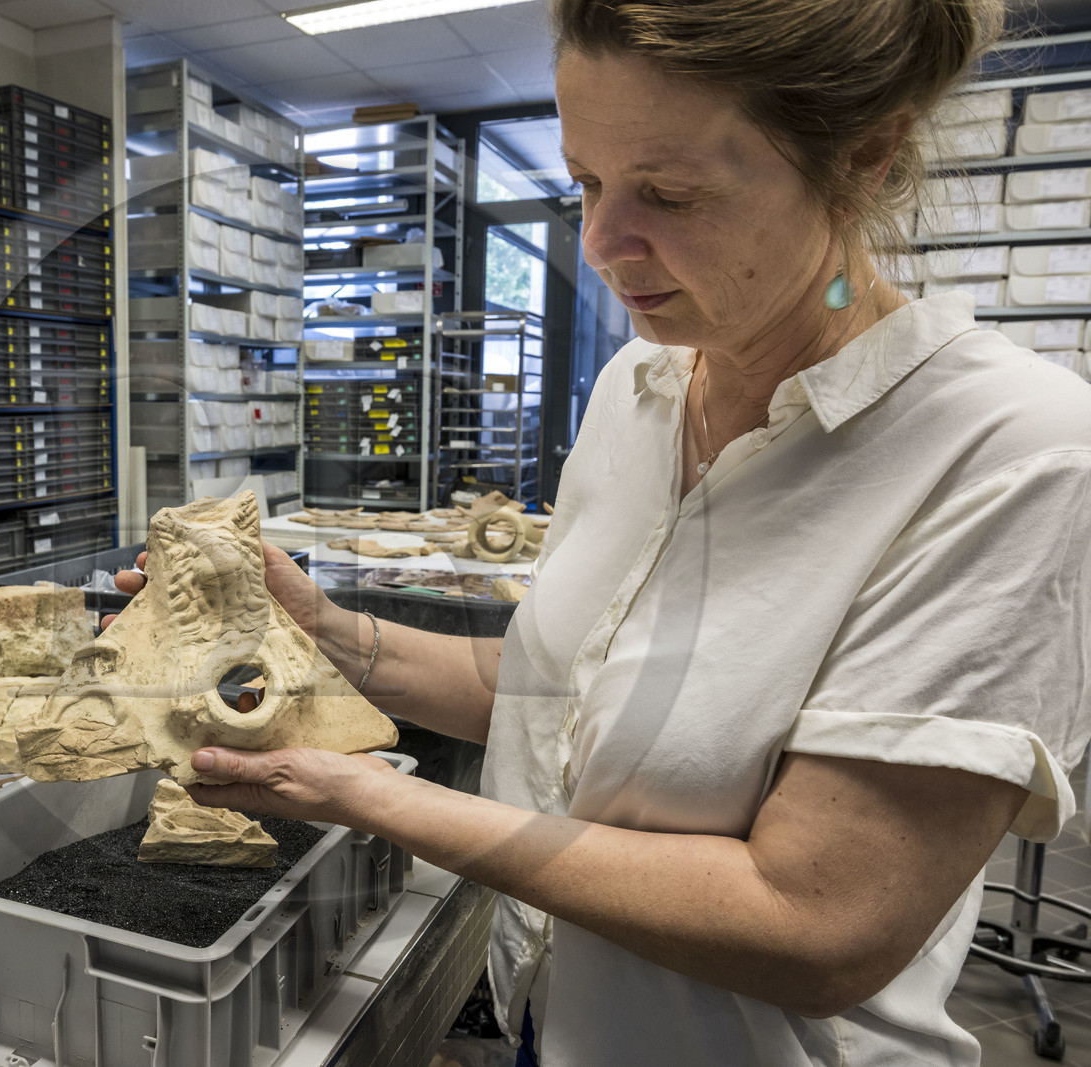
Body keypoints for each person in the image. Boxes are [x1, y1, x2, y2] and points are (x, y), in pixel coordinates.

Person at [111, 0, 1091, 1061]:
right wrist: (325, 634)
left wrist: (366, 795)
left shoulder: (1008, 450)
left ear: (864, 155)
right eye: (585, 180)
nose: (603, 244)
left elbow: (816, 927)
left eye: (670, 194)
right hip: (555, 1017)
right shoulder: (640, 383)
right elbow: (553, 698)